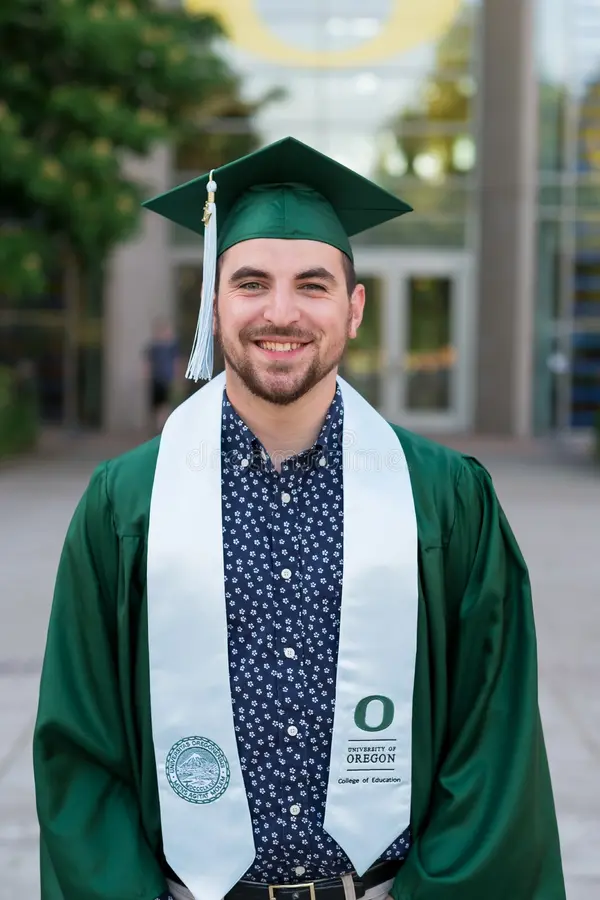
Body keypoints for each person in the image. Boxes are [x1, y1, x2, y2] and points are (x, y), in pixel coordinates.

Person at [33, 137, 566, 900]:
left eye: (312, 286)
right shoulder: (125, 504)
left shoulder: (446, 500)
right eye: (251, 283)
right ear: (214, 306)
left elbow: (493, 743)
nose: (280, 313)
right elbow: (81, 752)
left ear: (353, 310)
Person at [143, 317, 181, 433]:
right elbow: (147, 363)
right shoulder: (153, 347)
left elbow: (177, 362)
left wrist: (178, 377)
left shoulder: (172, 347)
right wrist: (146, 375)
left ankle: (162, 426)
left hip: (167, 379)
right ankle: (158, 426)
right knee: (156, 405)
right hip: (157, 379)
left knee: (165, 404)